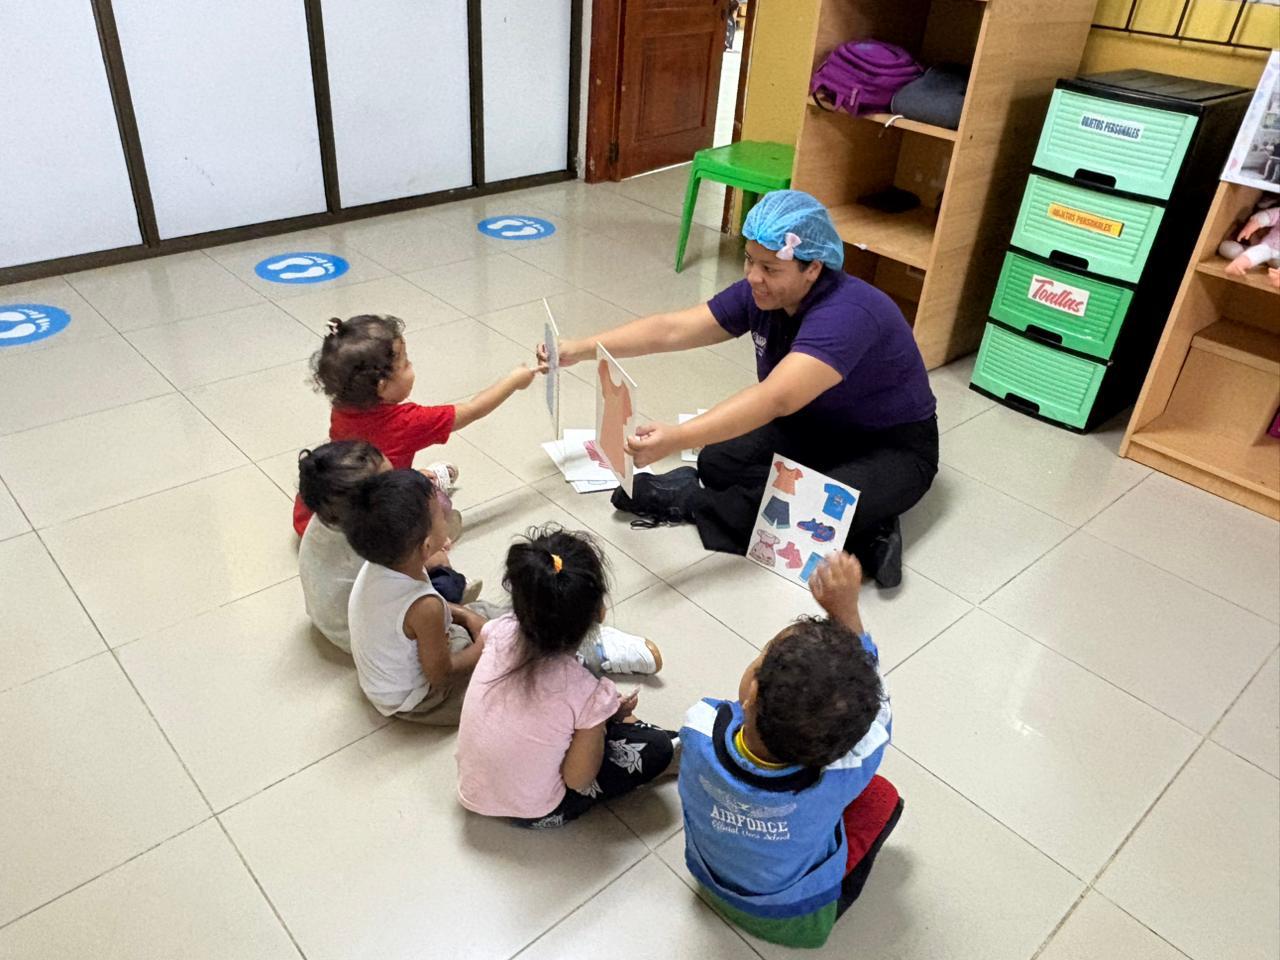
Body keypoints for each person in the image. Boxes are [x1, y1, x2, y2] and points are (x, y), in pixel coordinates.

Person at [544, 190, 937, 587]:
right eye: (750, 260)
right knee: (718, 462)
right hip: (814, 426)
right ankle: (859, 528)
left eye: (770, 268)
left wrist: (677, 437)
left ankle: (694, 503)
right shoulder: (764, 295)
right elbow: (673, 329)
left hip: (891, 447)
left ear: (813, 268)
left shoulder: (848, 313)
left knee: (807, 510)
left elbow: (776, 398)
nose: (753, 277)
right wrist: (581, 348)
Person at [677, 552, 901, 949]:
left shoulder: (699, 728)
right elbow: (879, 713)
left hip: (709, 880)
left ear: (751, 693)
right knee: (882, 797)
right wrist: (847, 613)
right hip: (798, 921)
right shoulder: (843, 774)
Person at [456, 526, 676, 828]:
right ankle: (651, 737)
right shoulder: (587, 693)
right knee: (658, 748)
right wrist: (601, 721)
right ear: (599, 612)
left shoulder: (498, 630)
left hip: (473, 789)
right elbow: (578, 779)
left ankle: (621, 722)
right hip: (536, 812)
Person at [292, 313, 541, 535]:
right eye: (406, 364)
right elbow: (473, 410)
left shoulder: (342, 406)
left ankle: (410, 478)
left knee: (382, 473)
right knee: (439, 508)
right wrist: (514, 381)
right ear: (382, 387)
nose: (412, 367)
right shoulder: (407, 422)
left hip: (314, 518)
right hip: (364, 530)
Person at [296, 441, 478, 653]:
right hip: (364, 636)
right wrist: (434, 558)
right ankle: (455, 588)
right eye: (392, 481)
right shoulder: (377, 535)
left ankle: (435, 520)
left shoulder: (329, 514)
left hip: (330, 619)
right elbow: (409, 576)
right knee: (442, 579)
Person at [343, 469, 490, 725]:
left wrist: (465, 615)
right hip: (419, 699)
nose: (447, 515)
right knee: (508, 674)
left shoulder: (380, 562)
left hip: (385, 684)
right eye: (441, 515)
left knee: (483, 613)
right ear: (426, 546)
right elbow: (442, 675)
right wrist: (486, 645)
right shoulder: (425, 606)